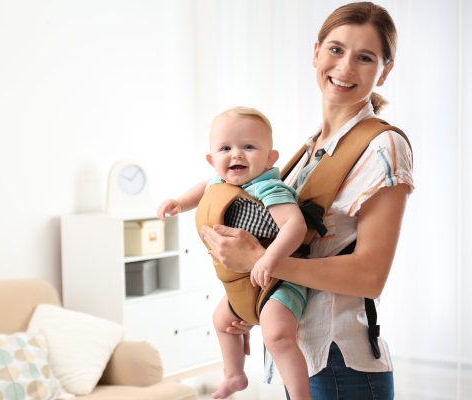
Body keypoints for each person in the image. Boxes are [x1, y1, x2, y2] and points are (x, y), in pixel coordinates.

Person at [200, 2, 413, 400]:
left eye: (365, 57)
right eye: (336, 49)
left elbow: (370, 275)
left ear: (384, 71)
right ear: (315, 52)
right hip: (302, 354)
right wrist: (253, 298)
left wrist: (260, 264)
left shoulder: (384, 147)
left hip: (341, 363)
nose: (346, 67)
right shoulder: (307, 152)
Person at [157, 106, 310, 399]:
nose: (236, 154)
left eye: (248, 146)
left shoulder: (267, 187)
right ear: (212, 160)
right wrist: (178, 201)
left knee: (277, 334)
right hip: (243, 282)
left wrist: (270, 258)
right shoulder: (219, 183)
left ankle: (301, 396)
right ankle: (235, 375)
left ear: (269, 158)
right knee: (222, 321)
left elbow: (295, 226)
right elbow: (203, 189)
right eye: (225, 148)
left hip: (280, 278)